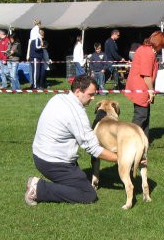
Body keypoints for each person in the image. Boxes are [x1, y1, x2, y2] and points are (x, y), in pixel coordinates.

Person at [25, 75, 118, 205]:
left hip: (40, 155)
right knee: (88, 194)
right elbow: (94, 149)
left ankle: (59, 181)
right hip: (53, 162)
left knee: (80, 181)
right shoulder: (77, 113)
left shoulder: (58, 97)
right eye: (90, 94)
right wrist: (122, 158)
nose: (93, 98)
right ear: (78, 92)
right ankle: (38, 188)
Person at [125, 30, 164, 141]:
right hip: (141, 87)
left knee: (145, 116)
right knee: (141, 116)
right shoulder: (148, 53)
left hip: (141, 87)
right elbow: (146, 75)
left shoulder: (147, 50)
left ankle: (144, 141)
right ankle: (129, 141)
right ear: (159, 43)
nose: (162, 48)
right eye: (163, 46)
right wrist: (151, 91)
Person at [26, 19, 44, 89]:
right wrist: (42, 46)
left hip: (37, 55)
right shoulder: (36, 34)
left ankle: (37, 84)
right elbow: (36, 47)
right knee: (36, 71)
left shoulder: (33, 31)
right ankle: (35, 85)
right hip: (35, 55)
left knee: (37, 70)